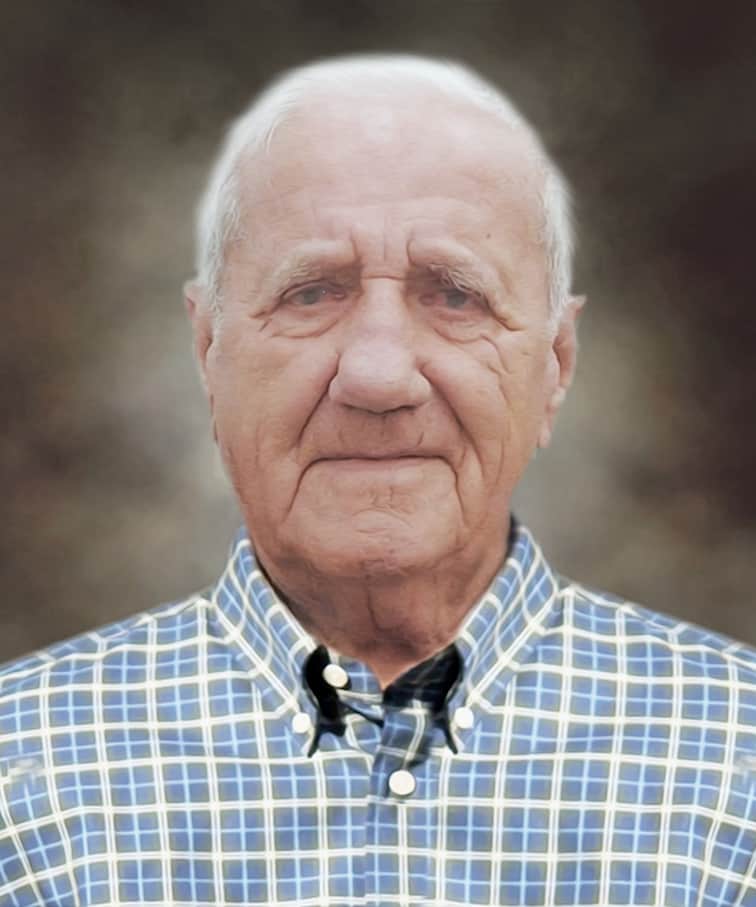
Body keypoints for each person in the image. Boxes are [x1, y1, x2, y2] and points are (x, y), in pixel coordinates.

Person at [0, 54, 754, 907]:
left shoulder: (740, 770)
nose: (379, 374)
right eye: (312, 292)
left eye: (456, 296)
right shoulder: (20, 778)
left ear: (556, 365)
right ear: (209, 352)